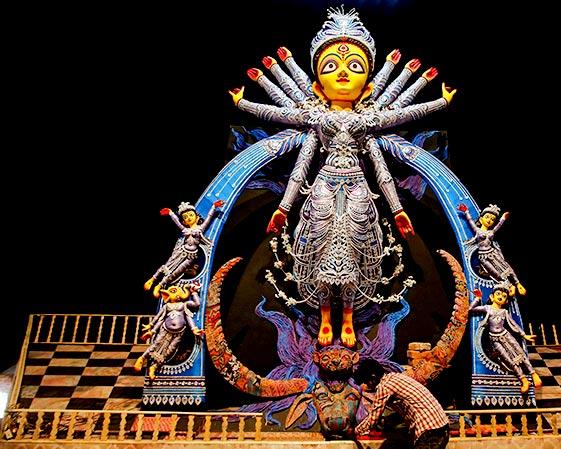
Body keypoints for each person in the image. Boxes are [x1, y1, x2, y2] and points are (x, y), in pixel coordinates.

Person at [230, 7, 456, 348]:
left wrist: (397, 209)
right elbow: (290, 138)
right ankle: (324, 317)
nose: (344, 74)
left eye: (355, 67)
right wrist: (247, 99)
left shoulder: (369, 120)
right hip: (322, 186)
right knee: (319, 248)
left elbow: (383, 160)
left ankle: (348, 318)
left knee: (356, 249)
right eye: (331, 67)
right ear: (318, 85)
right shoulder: (315, 118)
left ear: (368, 84)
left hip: (359, 191)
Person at [354, 359, 450, 449]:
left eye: (366, 382)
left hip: (429, 430)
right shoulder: (396, 378)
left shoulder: (384, 386)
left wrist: (354, 432)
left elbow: (373, 418)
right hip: (441, 427)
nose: (367, 386)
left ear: (373, 377)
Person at [144, 199, 224, 298]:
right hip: (181, 251)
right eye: (185, 217)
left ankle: (159, 285)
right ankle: (152, 279)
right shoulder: (185, 229)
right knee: (168, 265)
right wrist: (170, 213)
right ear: (184, 221)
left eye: (190, 215)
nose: (189, 218)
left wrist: (214, 207)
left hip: (191, 256)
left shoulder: (201, 228)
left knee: (177, 271)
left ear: (197, 216)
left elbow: (209, 217)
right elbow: (177, 222)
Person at [469, 285, 541, 394]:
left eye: (503, 296)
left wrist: (524, 335)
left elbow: (513, 324)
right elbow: (471, 309)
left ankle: (533, 373)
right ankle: (523, 380)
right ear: (492, 297)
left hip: (506, 335)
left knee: (519, 352)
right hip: (494, 339)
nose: (500, 297)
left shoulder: (504, 312)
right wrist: (478, 298)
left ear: (506, 300)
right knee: (508, 359)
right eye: (498, 294)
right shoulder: (487, 308)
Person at [457, 203, 526, 296]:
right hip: (483, 256)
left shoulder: (491, 232)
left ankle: (518, 283)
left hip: (492, 252)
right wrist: (466, 211)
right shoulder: (478, 230)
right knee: (494, 272)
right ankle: (510, 286)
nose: (489, 220)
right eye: (487, 217)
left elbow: (498, 226)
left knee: (505, 267)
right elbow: (470, 221)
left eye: (492, 219)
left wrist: (503, 218)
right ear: (481, 219)